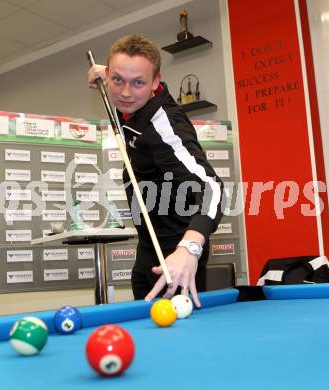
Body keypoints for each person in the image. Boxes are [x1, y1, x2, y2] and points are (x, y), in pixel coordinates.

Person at [88, 34, 224, 307]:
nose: (125, 92)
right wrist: (103, 74)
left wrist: (189, 249)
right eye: (118, 80)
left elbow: (212, 188)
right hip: (148, 245)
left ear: (155, 82)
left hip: (176, 252)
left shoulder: (165, 128)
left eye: (138, 82)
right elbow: (121, 78)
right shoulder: (134, 100)